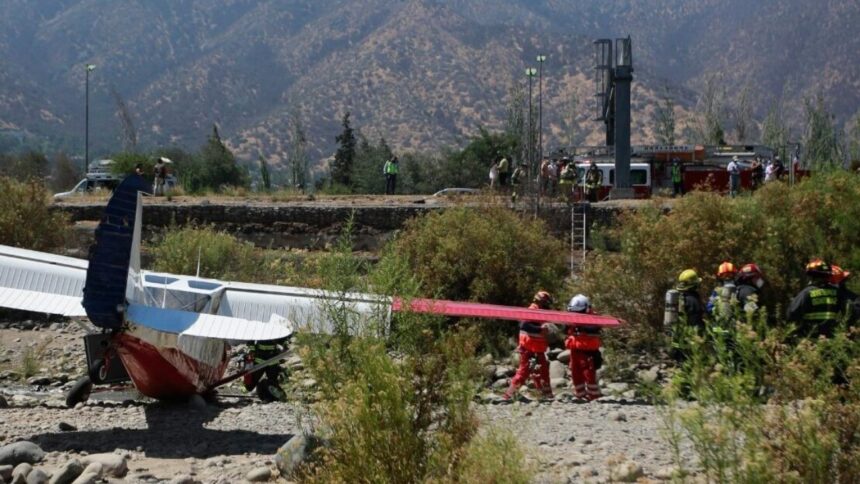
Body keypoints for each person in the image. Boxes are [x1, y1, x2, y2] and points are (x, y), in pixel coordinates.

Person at [503, 291, 555, 401]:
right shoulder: (532, 310)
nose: (547, 306)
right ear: (541, 302)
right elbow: (524, 325)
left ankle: (547, 395)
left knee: (543, 371)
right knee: (523, 372)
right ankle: (508, 395)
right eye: (546, 303)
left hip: (535, 348)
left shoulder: (538, 311)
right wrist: (540, 329)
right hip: (529, 349)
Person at [788, 259, 841, 339]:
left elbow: (792, 313)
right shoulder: (837, 292)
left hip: (811, 339)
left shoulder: (807, 292)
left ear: (812, 276)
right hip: (832, 338)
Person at [565, 294, 602, 401]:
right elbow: (566, 330)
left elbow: (593, 328)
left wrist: (579, 324)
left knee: (588, 375)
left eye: (579, 312)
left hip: (587, 352)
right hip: (575, 351)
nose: (576, 314)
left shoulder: (594, 318)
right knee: (575, 374)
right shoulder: (571, 318)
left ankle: (594, 396)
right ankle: (580, 395)